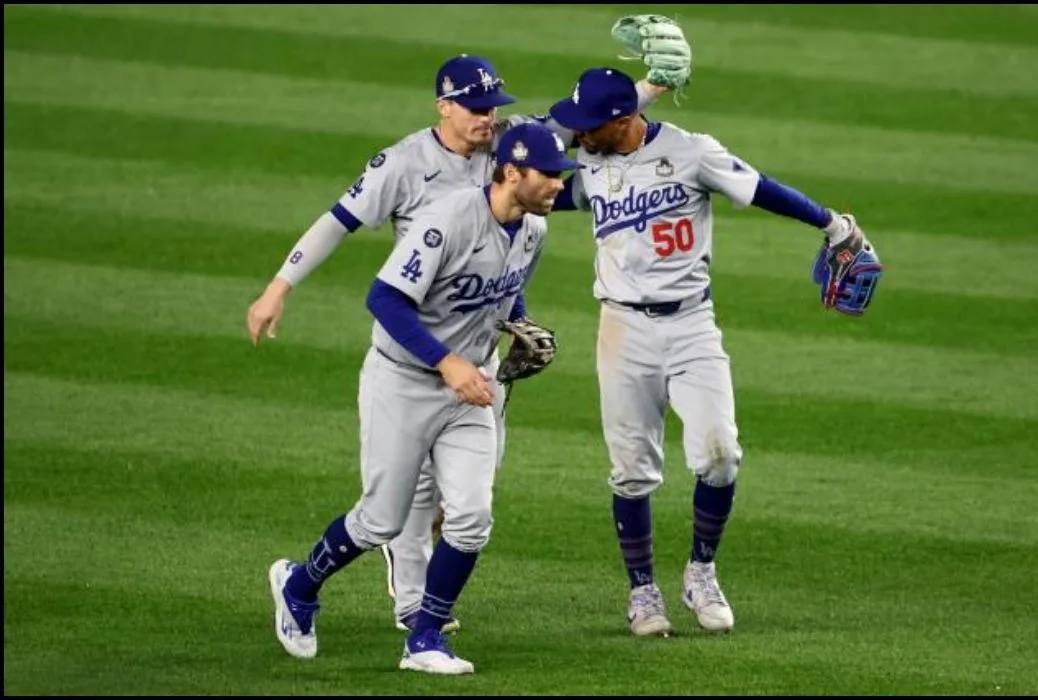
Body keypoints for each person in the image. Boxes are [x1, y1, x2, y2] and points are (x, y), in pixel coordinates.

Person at [246, 30, 690, 635]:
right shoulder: (403, 164)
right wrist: (279, 287)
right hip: (416, 345)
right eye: (478, 109)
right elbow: (338, 223)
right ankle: (410, 603)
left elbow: (586, 123)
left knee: (464, 501)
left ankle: (422, 605)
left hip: (478, 348)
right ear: (444, 107)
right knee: (395, 503)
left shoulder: (514, 154)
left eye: (495, 108)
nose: (490, 119)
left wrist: (652, 87)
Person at [545, 67, 879, 637]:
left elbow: (760, 186)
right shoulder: (587, 165)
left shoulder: (691, 152)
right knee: (631, 471)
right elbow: (524, 175)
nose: (579, 134)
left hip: (692, 323)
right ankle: (642, 592)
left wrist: (830, 223)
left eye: (589, 125)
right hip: (621, 329)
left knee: (721, 456)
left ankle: (701, 571)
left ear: (623, 121)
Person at [269, 121, 581, 675]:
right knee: (380, 521)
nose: (560, 186)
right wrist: (447, 361)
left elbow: (505, 289)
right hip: (404, 381)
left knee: (472, 517)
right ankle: (299, 583)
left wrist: (518, 325)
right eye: (550, 176)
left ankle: (426, 637)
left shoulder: (533, 230)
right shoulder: (446, 221)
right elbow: (384, 299)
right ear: (512, 172)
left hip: (472, 390)